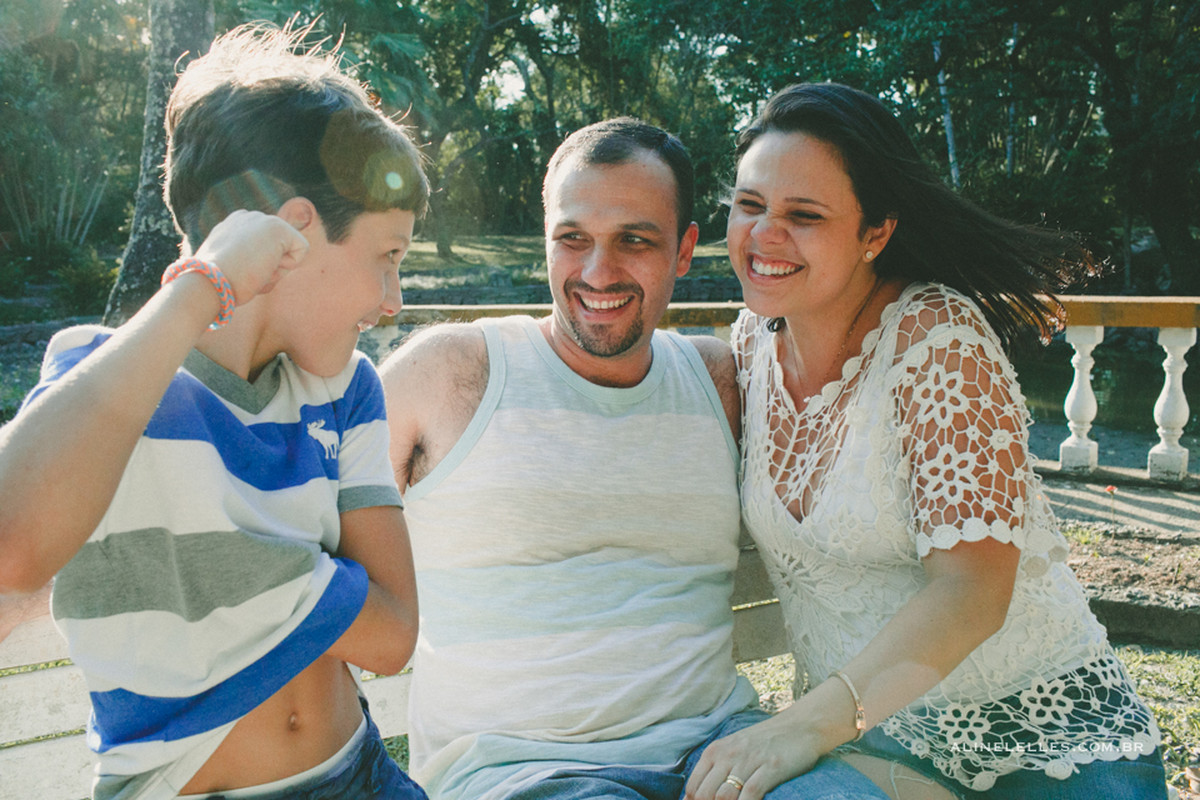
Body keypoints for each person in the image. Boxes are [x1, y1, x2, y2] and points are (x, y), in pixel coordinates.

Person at [378, 118, 906, 800]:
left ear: (685, 250)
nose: (599, 272)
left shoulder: (720, 382)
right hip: (525, 773)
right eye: (573, 239)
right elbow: (296, 543)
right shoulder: (449, 374)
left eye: (635, 240)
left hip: (723, 755)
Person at [684, 82, 1167, 800]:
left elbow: (973, 591)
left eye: (804, 215)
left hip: (1037, 752)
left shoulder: (937, 341)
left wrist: (800, 727)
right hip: (875, 750)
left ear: (875, 233)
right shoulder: (751, 343)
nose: (763, 235)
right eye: (750, 206)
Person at [0, 23, 431, 800]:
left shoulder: (344, 390)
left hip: (362, 776)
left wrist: (209, 555)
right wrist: (199, 289)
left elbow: (395, 630)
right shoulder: (107, 381)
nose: (393, 302)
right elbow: (13, 546)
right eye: (388, 257)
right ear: (295, 231)